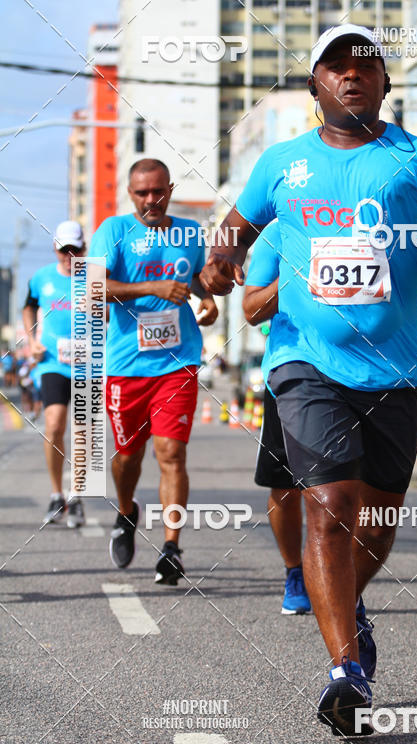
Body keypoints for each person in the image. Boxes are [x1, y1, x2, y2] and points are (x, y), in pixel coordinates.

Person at [201, 24, 417, 736]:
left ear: (386, 84)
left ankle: (346, 607)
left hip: (398, 367)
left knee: (377, 521)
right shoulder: (282, 163)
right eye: (336, 66)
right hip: (305, 362)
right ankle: (345, 671)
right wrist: (217, 266)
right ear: (314, 87)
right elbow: (234, 230)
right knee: (327, 504)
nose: (351, 76)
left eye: (366, 66)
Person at [89, 158, 218, 585]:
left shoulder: (189, 232)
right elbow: (93, 286)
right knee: (128, 457)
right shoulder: (113, 231)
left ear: (170, 188)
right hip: (127, 365)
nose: (151, 200)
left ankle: (171, 549)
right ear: (130, 194)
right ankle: (127, 510)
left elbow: (195, 275)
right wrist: (151, 288)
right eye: (142, 193)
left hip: (177, 362)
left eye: (158, 191)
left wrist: (207, 298)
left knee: (171, 453)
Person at [242, 222, 311, 615]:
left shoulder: (373, 222)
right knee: (286, 487)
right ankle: (295, 571)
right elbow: (252, 310)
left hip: (363, 371)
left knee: (344, 488)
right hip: (292, 369)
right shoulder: (278, 235)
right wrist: (298, 274)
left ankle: (343, 575)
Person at [22, 220, 87, 527]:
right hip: (52, 362)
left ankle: (76, 497)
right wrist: (31, 339)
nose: (69, 256)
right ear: (55, 248)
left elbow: (112, 316)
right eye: (64, 250)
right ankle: (56, 494)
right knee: (54, 425)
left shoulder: (95, 278)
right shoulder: (42, 278)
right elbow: (28, 307)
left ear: (83, 249)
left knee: (83, 431)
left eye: (75, 249)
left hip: (88, 363)